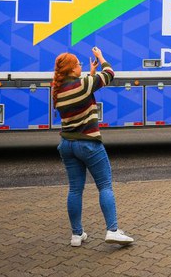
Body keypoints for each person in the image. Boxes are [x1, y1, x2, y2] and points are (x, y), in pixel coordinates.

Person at [52, 46, 133, 247]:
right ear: (72, 69)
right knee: (105, 185)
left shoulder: (58, 90)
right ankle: (112, 230)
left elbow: (82, 87)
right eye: (78, 64)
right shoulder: (84, 84)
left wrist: (90, 74)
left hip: (67, 144)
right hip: (88, 144)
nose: (81, 65)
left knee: (75, 190)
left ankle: (76, 235)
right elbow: (110, 74)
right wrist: (101, 57)